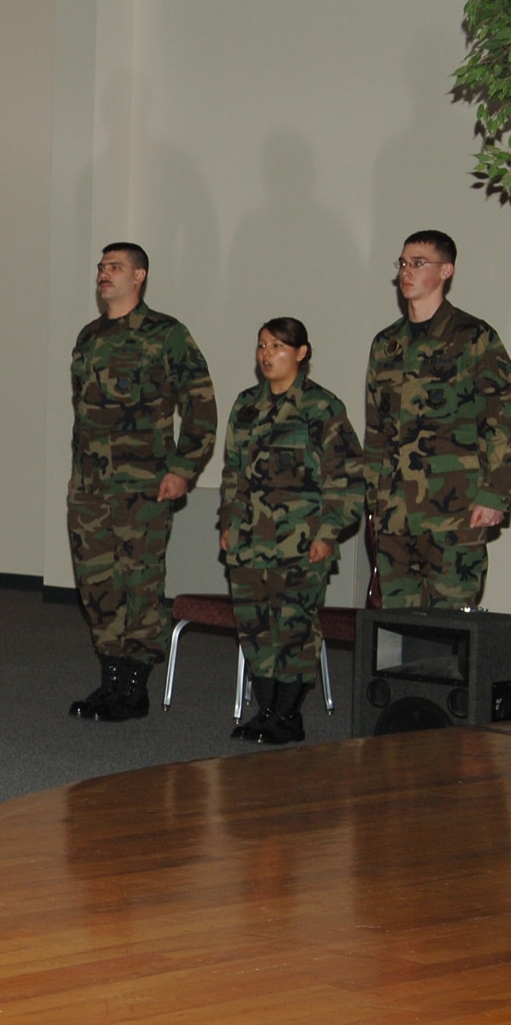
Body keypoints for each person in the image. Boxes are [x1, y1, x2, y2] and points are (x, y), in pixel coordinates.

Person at [66, 242, 217, 722]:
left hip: (144, 485)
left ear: (140, 276)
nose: (104, 274)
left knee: (139, 583)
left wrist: (182, 469)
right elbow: (84, 417)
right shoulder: (89, 336)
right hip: (91, 487)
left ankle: (134, 687)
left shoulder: (166, 334)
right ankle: (110, 679)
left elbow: (201, 406)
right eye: (101, 267)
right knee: (97, 585)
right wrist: (76, 477)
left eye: (116, 267)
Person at [219, 318, 363, 744]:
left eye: (278, 346)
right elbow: (232, 471)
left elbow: (347, 477)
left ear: (301, 353)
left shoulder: (321, 407)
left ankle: (287, 716)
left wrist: (328, 533)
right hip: (248, 539)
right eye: (262, 345)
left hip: (301, 540)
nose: (267, 354)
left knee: (294, 627)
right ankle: (264, 710)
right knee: (256, 627)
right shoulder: (246, 404)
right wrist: (228, 522)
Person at [363, 229, 511, 609]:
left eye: (418, 263)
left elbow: (502, 419)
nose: (406, 272)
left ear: (446, 271)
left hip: (456, 508)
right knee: (395, 632)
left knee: (453, 629)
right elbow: (377, 431)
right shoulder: (386, 344)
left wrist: (494, 495)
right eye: (403, 263)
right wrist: (373, 498)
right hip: (396, 511)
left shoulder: (474, 337)